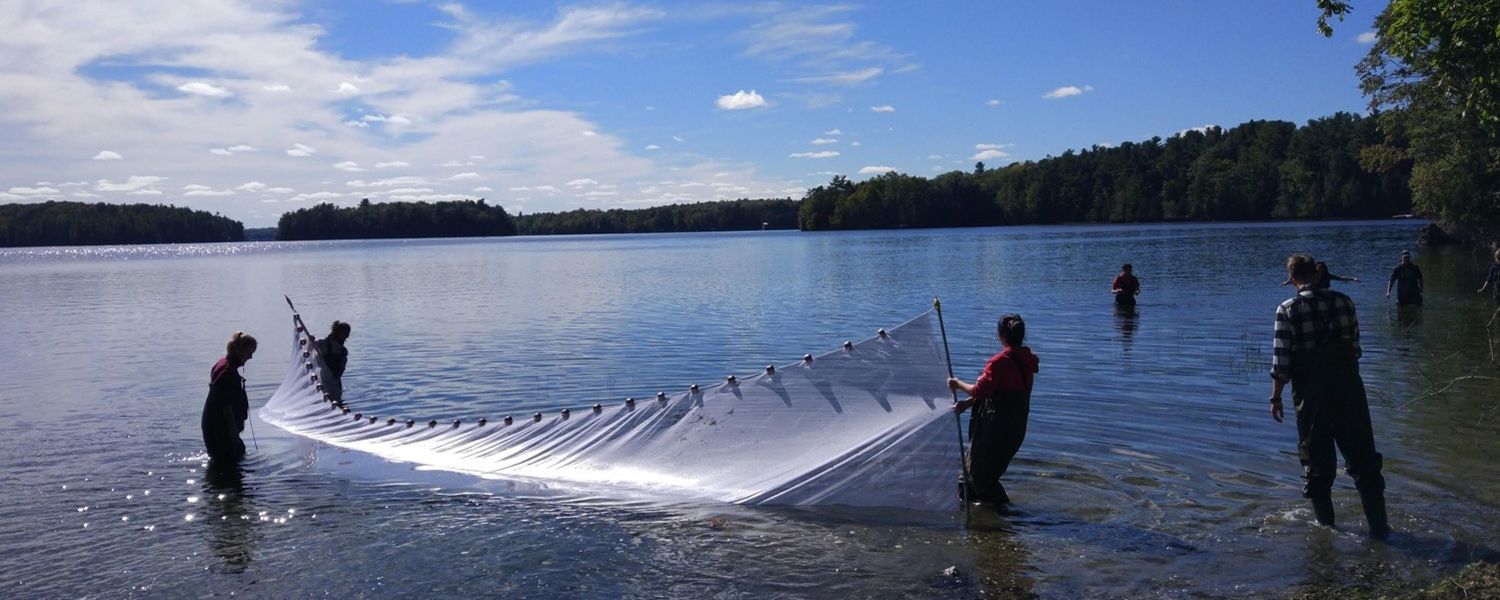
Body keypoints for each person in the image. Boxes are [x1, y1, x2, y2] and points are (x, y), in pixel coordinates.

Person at [1270, 254, 1389, 538]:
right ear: (1317, 273)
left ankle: (1326, 537)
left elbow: (1282, 363)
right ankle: (1381, 531)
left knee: (1317, 470)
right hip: (1350, 394)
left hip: (1312, 401)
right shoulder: (1345, 302)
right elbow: (1356, 349)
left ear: (1292, 280)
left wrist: (1275, 398)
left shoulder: (1287, 309)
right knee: (1366, 465)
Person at [949, 314, 1040, 504]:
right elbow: (997, 391)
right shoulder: (1027, 361)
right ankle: (999, 522)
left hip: (995, 430)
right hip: (1015, 430)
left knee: (973, 479)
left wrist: (957, 384)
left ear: (1001, 335)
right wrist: (966, 404)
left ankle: (994, 523)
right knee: (984, 478)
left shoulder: (999, 362)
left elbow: (980, 391)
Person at [202, 331, 257, 463]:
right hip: (220, 429)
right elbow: (226, 408)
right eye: (249, 352)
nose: (250, 357)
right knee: (231, 461)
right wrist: (234, 437)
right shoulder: (227, 372)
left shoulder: (222, 364)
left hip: (213, 426)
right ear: (239, 350)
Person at [312, 320, 351, 402]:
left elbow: (341, 369)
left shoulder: (343, 351)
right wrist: (310, 340)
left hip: (335, 383)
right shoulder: (324, 344)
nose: (346, 336)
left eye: (347, 334)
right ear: (337, 332)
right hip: (325, 382)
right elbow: (312, 345)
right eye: (345, 333)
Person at [1282, 261, 1358, 289]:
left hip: (1325, 292)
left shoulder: (1327, 275)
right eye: (1318, 270)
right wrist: (1288, 282)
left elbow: (1340, 278)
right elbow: (1301, 279)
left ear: (1325, 270)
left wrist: (1353, 278)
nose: (1320, 272)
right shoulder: (1312, 276)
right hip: (1316, 293)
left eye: (1322, 270)